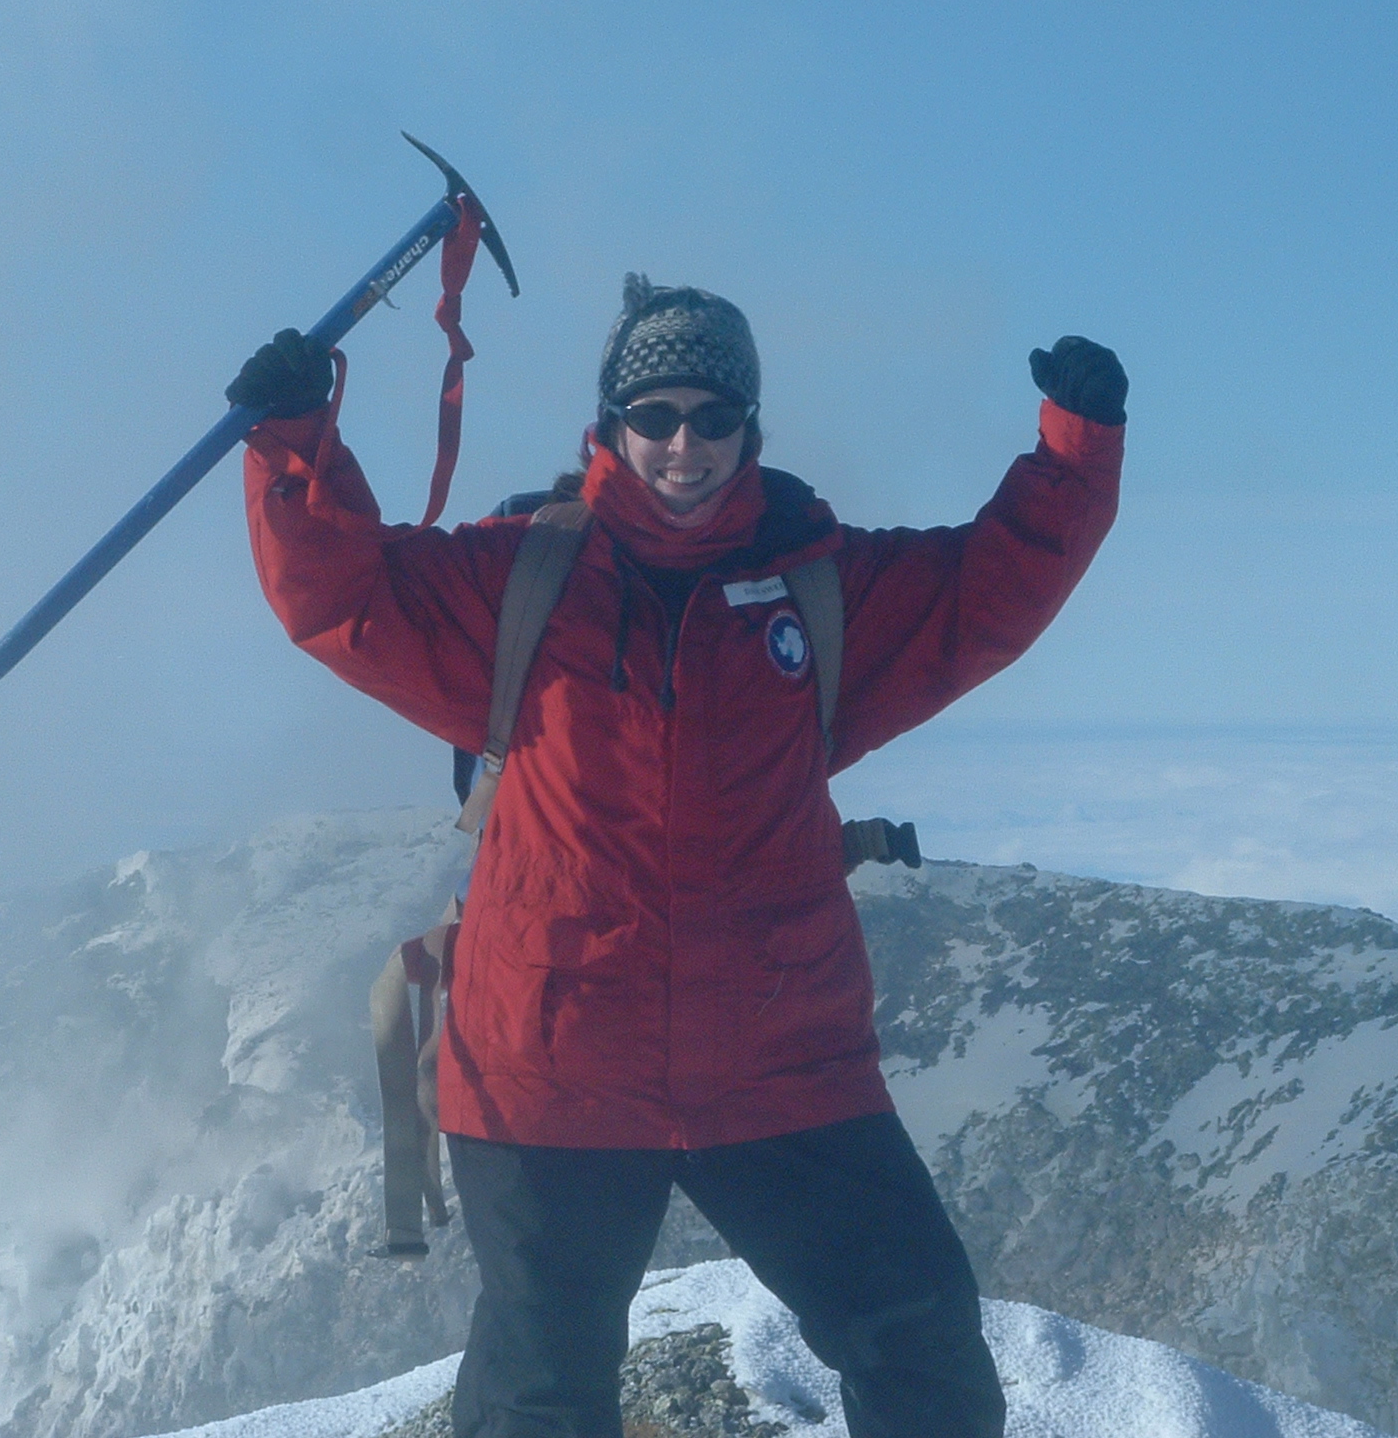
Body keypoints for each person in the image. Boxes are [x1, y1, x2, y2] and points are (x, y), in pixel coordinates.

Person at [234, 274, 1125, 1438]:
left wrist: (1075, 449)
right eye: (652, 416)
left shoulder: (821, 584)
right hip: (552, 1066)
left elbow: (986, 593)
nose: (682, 445)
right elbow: (339, 595)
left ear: (749, 428)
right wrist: (296, 440)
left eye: (712, 417)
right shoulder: (518, 579)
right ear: (608, 426)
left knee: (919, 1347)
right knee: (539, 1397)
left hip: (776, 1055)